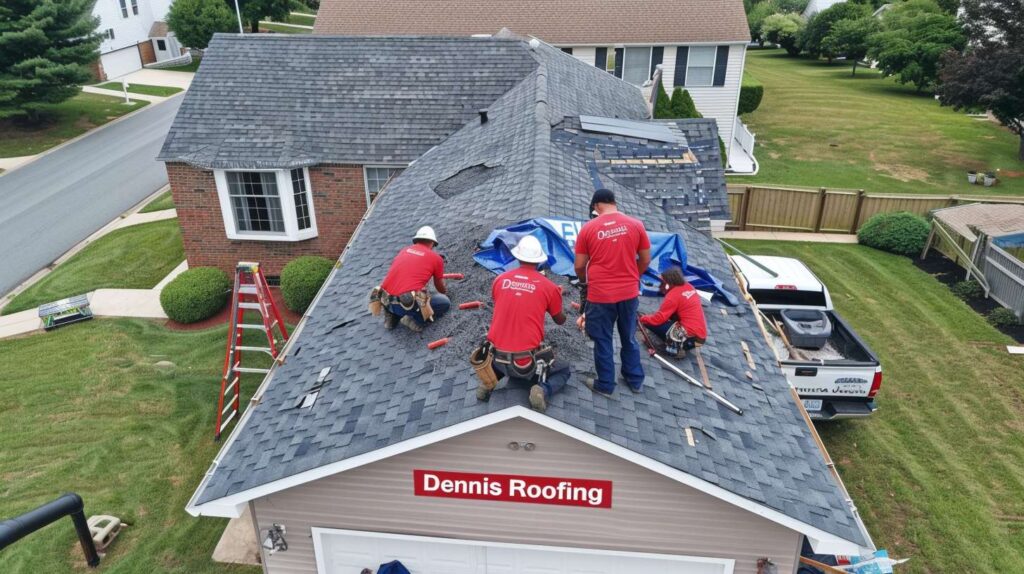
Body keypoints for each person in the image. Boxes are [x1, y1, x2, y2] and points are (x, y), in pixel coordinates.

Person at [471, 235, 570, 413]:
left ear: (518, 257)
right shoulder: (548, 287)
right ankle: (541, 390)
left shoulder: (500, 280)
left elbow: (505, 303)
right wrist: (557, 300)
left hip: (496, 359)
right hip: (525, 364)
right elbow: (559, 320)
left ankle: (489, 382)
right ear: (539, 261)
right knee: (563, 369)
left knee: (504, 351)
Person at [574, 188, 651, 396]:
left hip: (600, 295)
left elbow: (580, 265)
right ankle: (635, 380)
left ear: (597, 206)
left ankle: (606, 385)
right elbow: (645, 259)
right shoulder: (636, 225)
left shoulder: (588, 229)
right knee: (628, 336)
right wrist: (633, 276)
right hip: (629, 293)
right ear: (614, 202)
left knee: (603, 339)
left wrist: (584, 283)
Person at [371, 226, 451, 332]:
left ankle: (391, 315)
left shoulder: (404, 251)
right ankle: (412, 319)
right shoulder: (436, 259)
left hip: (388, 301)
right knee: (444, 302)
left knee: (402, 294)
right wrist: (445, 292)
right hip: (407, 305)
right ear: (432, 243)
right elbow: (439, 286)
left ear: (416, 241)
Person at [639, 267, 708, 357]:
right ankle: (681, 344)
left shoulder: (673, 296)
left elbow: (658, 319)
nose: (660, 286)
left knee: (650, 323)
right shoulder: (689, 287)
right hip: (700, 339)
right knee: (669, 318)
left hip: (688, 338)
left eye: (662, 283)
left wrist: (643, 319)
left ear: (668, 283)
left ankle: (676, 348)